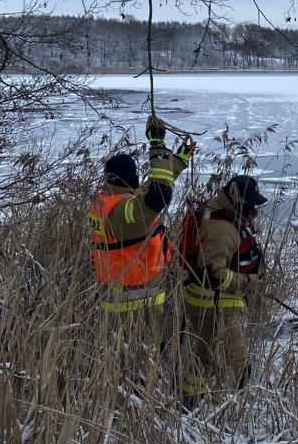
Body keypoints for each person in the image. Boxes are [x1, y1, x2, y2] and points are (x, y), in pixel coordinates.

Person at [89, 115, 193, 321]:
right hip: (135, 306)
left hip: (122, 296)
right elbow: (157, 195)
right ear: (130, 176)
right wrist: (157, 145)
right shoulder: (122, 212)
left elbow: (148, 192)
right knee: (145, 353)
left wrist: (179, 162)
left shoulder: (109, 202)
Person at [180, 175, 268, 409]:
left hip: (212, 298)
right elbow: (213, 273)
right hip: (214, 300)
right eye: (250, 203)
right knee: (240, 361)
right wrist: (246, 282)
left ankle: (191, 403)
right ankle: (236, 409)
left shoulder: (224, 214)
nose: (253, 209)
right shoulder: (220, 227)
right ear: (236, 199)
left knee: (204, 356)